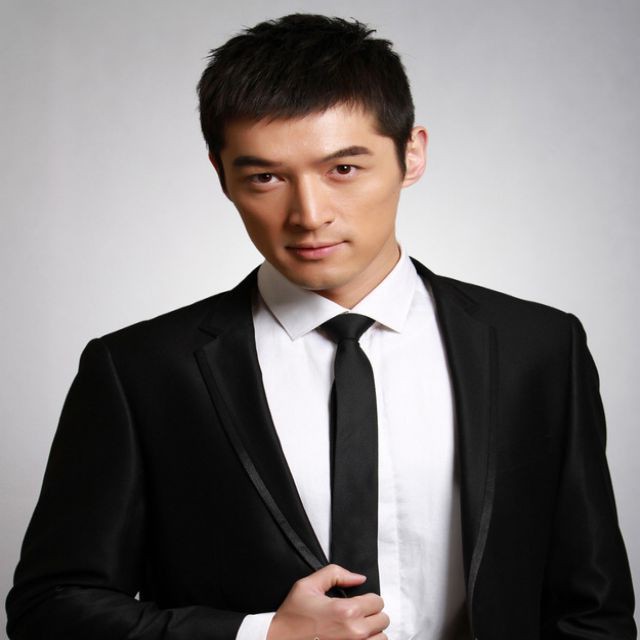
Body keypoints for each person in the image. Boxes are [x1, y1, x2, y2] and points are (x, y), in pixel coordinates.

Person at [5, 13, 636, 640]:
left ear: (411, 153)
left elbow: (592, 610)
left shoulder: (538, 348)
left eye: (343, 169)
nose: (309, 215)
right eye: (266, 177)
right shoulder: (140, 370)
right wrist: (260, 635)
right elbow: (50, 608)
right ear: (222, 176)